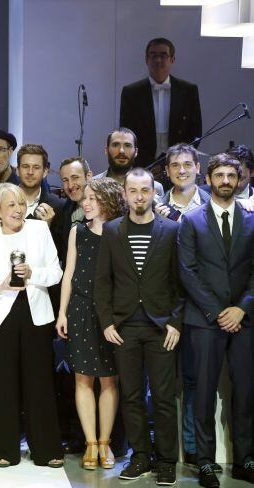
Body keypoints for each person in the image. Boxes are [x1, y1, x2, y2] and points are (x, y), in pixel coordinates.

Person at [94, 168, 184, 485]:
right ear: (125, 194)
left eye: (145, 190)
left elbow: (180, 282)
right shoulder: (112, 230)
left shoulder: (171, 230)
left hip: (161, 327)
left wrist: (175, 322)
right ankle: (140, 457)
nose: (139, 196)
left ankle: (166, 460)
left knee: (162, 397)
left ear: (154, 193)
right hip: (125, 326)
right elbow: (102, 281)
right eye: (133, 190)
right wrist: (106, 322)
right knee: (131, 396)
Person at [178, 153, 254, 488]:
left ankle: (245, 459)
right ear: (208, 179)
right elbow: (187, 272)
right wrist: (217, 312)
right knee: (204, 393)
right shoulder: (191, 221)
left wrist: (242, 308)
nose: (225, 181)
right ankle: (206, 462)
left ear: (239, 180)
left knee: (246, 392)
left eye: (231, 176)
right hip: (205, 319)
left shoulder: (252, 221)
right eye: (219, 175)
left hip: (245, 319)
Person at [0, 183, 64, 468]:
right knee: (2, 382)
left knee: (39, 382)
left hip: (35, 312)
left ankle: (47, 449)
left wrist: (33, 273)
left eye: (20, 203)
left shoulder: (39, 229)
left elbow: (56, 271)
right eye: (10, 205)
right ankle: (4, 449)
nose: (18, 209)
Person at [56, 178, 125, 470]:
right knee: (82, 378)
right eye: (85, 198)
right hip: (81, 309)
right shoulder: (77, 231)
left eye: (92, 198)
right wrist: (62, 313)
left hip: (111, 313)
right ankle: (90, 444)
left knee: (109, 379)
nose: (86, 203)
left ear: (108, 200)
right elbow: (69, 274)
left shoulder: (120, 230)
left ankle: (106, 443)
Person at [120, 38, 202, 167]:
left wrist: (182, 156)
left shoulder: (188, 90)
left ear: (172, 59)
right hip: (142, 162)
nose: (158, 60)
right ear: (146, 59)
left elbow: (195, 131)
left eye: (163, 55)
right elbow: (126, 132)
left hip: (178, 162)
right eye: (153, 55)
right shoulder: (131, 92)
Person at [94, 128, 164, 195]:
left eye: (127, 145)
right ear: (106, 150)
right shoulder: (92, 185)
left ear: (136, 152)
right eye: (115, 145)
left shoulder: (154, 187)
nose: (121, 151)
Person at [156, 143, 210, 223]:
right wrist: (160, 224)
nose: (182, 171)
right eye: (175, 165)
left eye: (187, 165)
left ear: (197, 168)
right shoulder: (158, 207)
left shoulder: (213, 204)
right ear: (167, 170)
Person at [16, 144, 65, 226]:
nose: (30, 172)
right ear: (17, 170)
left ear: (45, 172)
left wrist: (47, 227)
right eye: (25, 166)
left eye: (36, 167)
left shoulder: (58, 206)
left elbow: (62, 239)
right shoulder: (1, 202)